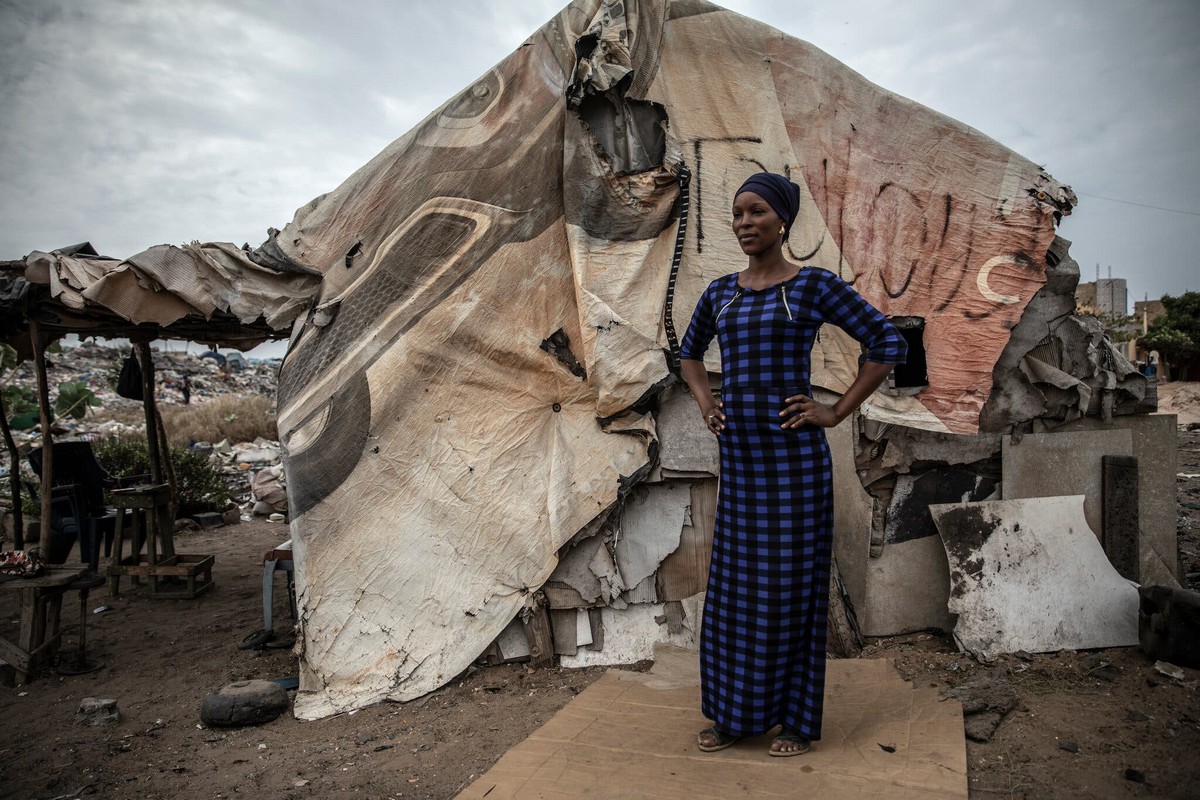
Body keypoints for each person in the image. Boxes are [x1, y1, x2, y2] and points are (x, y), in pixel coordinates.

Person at [679, 172, 907, 757]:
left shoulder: (810, 288)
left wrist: (835, 412)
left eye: (756, 212)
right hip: (743, 467)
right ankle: (735, 716)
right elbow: (688, 355)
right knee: (732, 592)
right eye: (737, 214)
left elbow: (887, 344)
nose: (745, 223)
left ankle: (798, 724)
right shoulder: (720, 294)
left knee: (790, 590)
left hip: (795, 470)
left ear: (782, 220)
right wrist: (708, 404)